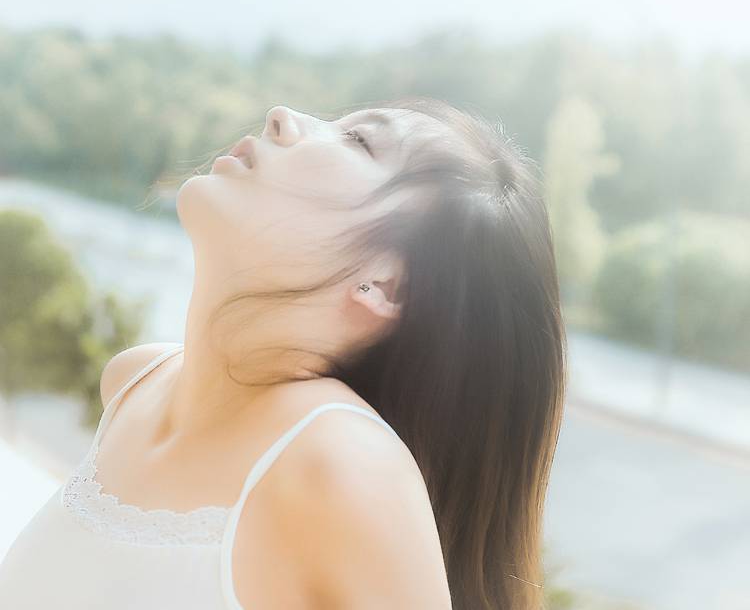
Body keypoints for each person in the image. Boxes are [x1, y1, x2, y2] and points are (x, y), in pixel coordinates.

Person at [0, 96, 567, 610]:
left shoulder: (338, 461)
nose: (281, 115)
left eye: (359, 141)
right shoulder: (133, 384)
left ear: (385, 284)